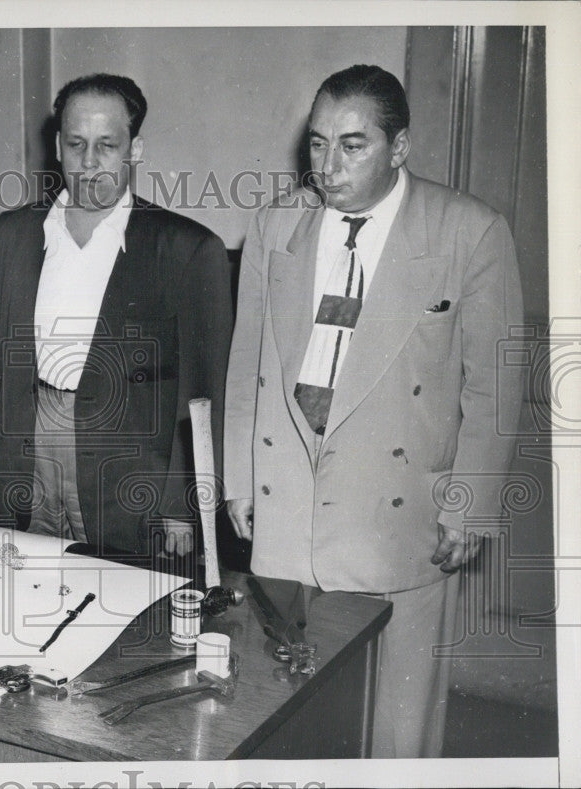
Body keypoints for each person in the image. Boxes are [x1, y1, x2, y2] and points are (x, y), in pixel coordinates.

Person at [224, 64, 524, 757]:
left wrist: (471, 505)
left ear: (400, 146)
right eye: (318, 144)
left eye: (352, 145)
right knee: (286, 716)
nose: (328, 166)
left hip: (398, 516)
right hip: (288, 504)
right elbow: (250, 361)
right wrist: (240, 475)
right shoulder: (276, 224)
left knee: (394, 725)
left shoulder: (468, 231)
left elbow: (494, 386)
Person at [0, 73, 232, 558]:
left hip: (128, 474)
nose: (88, 163)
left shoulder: (187, 249)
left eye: (107, 146)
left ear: (135, 149)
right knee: (23, 591)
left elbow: (203, 390)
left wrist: (181, 502)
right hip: (26, 449)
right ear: (57, 146)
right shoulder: (14, 232)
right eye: (76, 144)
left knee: (117, 611)